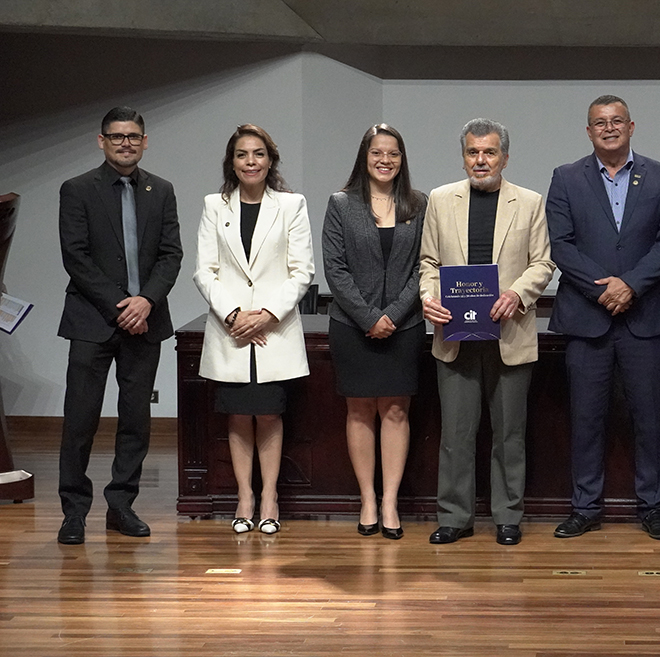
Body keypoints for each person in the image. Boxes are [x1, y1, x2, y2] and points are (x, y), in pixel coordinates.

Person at [545, 95, 660, 540]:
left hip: (647, 316)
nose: (609, 128)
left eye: (617, 121)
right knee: (586, 420)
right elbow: (561, 244)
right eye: (600, 122)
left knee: (651, 420)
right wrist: (604, 289)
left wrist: (631, 285)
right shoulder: (566, 177)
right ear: (588, 132)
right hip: (586, 318)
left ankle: (653, 508)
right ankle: (585, 507)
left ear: (631, 126)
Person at [419, 118, 555, 546]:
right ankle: (454, 517)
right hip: (454, 335)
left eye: (490, 152)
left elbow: (543, 263)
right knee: (456, 435)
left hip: (509, 332)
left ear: (505, 157)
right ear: (463, 157)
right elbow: (428, 263)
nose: (481, 160)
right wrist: (429, 297)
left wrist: (517, 294)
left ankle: (508, 517)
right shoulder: (440, 199)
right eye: (473, 152)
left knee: (509, 434)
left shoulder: (529, 202)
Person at [56, 106, 183, 545]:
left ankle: (121, 505)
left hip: (146, 322)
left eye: (133, 136)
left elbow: (171, 254)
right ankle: (74, 512)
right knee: (80, 420)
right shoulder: (77, 189)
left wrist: (145, 301)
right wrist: (120, 307)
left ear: (144, 142)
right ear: (102, 141)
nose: (125, 143)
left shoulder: (160, 190)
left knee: (135, 420)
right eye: (116, 136)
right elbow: (75, 257)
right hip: (92, 321)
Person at [193, 124, 315, 535]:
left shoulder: (291, 205)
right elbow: (205, 271)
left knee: (268, 412)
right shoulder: (215, 205)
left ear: (270, 160)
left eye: (258, 154)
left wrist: (266, 314)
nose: (251, 161)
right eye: (242, 154)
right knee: (238, 414)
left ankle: (269, 497)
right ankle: (245, 496)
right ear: (232, 162)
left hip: (272, 330)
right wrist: (233, 316)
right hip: (230, 330)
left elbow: (302, 271)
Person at [322, 124, 426, 540]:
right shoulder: (341, 204)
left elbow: (425, 265)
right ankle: (367, 498)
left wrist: (394, 315)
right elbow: (335, 268)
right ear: (364, 157)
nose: (385, 160)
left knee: (397, 411)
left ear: (402, 159)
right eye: (377, 153)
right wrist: (368, 317)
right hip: (352, 325)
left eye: (393, 154)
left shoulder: (418, 203)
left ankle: (390, 502)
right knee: (359, 410)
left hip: (405, 325)